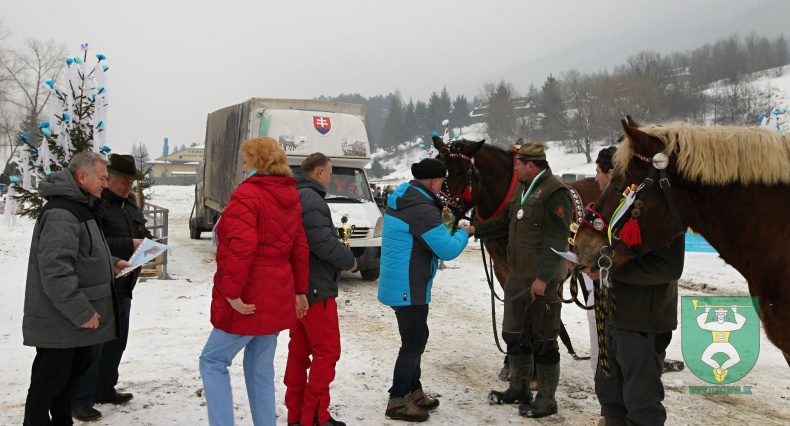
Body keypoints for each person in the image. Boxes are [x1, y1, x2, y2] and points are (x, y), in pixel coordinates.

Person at [199, 137, 310, 426]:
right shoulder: (290, 195)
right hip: (277, 291)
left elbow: (240, 247)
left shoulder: (248, 194)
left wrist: (231, 293)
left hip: (249, 294)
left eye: (246, 160)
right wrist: (299, 290)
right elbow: (299, 246)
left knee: (213, 361)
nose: (243, 166)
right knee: (260, 368)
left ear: (258, 162)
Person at [22, 150, 131, 426]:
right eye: (102, 178)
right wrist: (82, 311)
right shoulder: (61, 212)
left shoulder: (82, 205)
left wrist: (112, 262)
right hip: (61, 320)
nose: (106, 184)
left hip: (72, 322)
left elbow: (85, 252)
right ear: (82, 176)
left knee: (69, 380)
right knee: (50, 382)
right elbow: (56, 271)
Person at [466, 142, 573, 419]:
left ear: (531, 165)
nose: (515, 166)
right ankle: (519, 388)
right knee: (516, 334)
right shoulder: (522, 190)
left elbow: (557, 239)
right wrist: (476, 228)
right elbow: (504, 221)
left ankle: (546, 400)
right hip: (518, 276)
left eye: (519, 163)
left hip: (540, 280)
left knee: (544, 338)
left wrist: (543, 278)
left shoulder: (555, 191)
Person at [378, 158, 471, 423]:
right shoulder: (420, 209)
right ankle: (397, 400)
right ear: (434, 182)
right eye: (441, 183)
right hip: (409, 286)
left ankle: (413, 391)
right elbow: (448, 250)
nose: (442, 188)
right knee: (414, 342)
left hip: (405, 283)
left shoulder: (407, 198)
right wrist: (464, 231)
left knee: (418, 337)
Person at [71, 154, 153, 421]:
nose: (128, 185)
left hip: (124, 285)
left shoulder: (130, 206)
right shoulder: (97, 205)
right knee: (93, 347)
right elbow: (94, 243)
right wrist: (131, 244)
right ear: (109, 178)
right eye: (123, 179)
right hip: (100, 286)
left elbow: (142, 234)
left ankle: (105, 388)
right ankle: (80, 399)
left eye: (132, 181)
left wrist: (151, 243)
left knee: (116, 343)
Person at [284, 153, 356, 426]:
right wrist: (349, 260)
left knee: (299, 352)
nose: (331, 177)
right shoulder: (311, 198)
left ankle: (296, 415)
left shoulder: (296, 194)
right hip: (316, 288)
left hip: (301, 286)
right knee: (326, 351)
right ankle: (315, 416)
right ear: (318, 172)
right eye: (329, 171)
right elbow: (322, 242)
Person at [592, 236, 684, 426]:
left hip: (642, 323)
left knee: (642, 402)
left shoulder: (664, 214)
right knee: (611, 394)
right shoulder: (619, 210)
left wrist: (610, 271)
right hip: (614, 316)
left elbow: (669, 268)